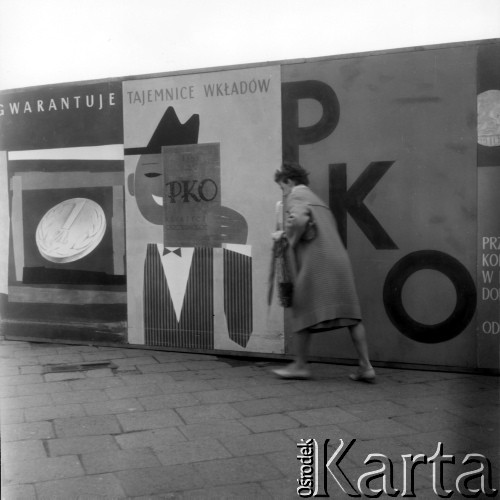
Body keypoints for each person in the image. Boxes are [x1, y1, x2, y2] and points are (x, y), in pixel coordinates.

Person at [271, 161, 375, 382]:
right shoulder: (318, 200)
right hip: (338, 261)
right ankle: (366, 366)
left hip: (317, 262)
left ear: (289, 181)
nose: (284, 191)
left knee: (300, 307)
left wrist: (284, 236)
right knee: (351, 315)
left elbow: (298, 220)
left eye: (282, 187)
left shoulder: (297, 196)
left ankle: (299, 365)